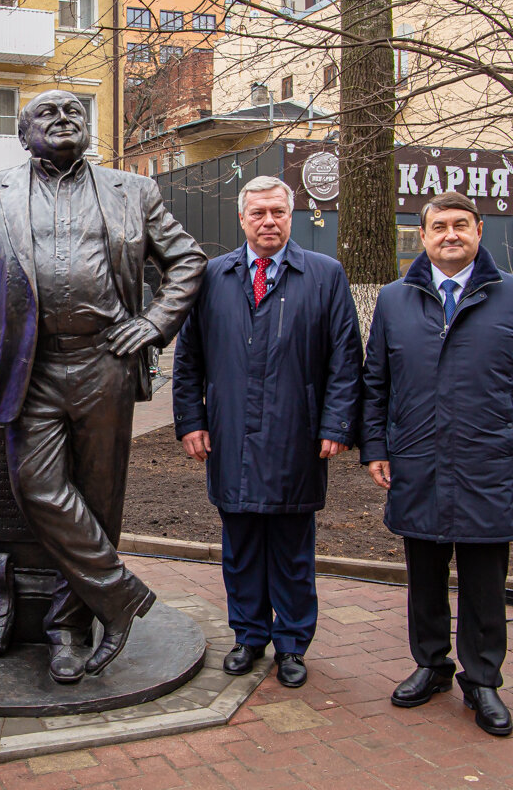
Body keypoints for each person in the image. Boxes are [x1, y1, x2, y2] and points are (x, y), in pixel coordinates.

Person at [0, 90, 206, 683]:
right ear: (23, 134)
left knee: (99, 500)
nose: (63, 119)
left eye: (74, 111)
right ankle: (119, 597)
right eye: (47, 113)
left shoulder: (134, 190)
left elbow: (188, 260)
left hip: (105, 362)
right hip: (29, 365)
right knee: (35, 486)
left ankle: (70, 629)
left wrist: (151, 324)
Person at [361, 191, 513, 737]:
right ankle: (431, 665)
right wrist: (375, 446)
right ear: (422, 237)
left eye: (461, 225)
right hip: (418, 463)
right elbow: (376, 381)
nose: (450, 235)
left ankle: (482, 680)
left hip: (489, 465)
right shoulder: (395, 300)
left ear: (478, 231)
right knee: (423, 577)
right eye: (439, 227)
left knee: (483, 583)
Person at [172, 176, 362, 688]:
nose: (268, 221)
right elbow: (187, 358)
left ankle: (293, 644)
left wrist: (336, 423)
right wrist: (191, 420)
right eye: (258, 213)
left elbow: (346, 360)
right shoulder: (213, 277)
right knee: (241, 547)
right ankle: (249, 636)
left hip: (296, 437)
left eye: (277, 212)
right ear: (242, 219)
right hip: (231, 435)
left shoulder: (324, 275)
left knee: (292, 550)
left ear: (291, 214)